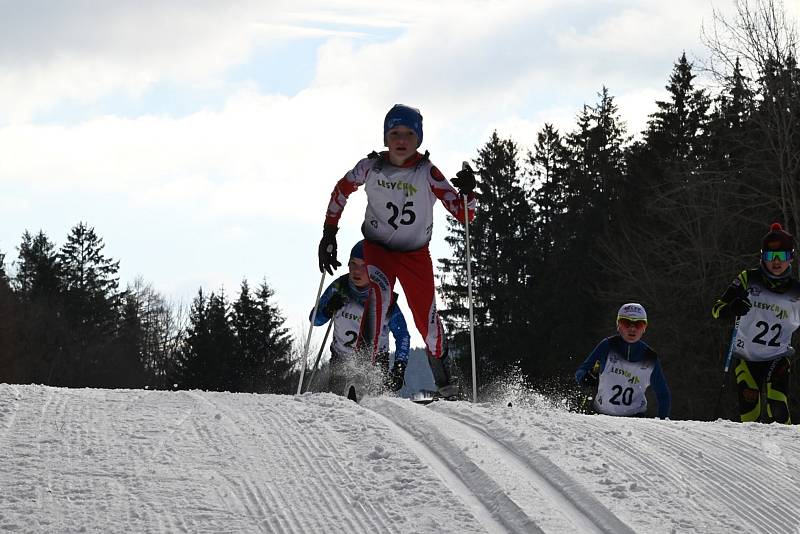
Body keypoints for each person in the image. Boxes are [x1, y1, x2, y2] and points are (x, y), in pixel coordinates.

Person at [317, 104, 477, 398]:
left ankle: (447, 381)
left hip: (415, 255)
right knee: (376, 300)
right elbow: (341, 189)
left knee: (427, 324)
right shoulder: (370, 167)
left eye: (408, 134)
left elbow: (463, 214)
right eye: (394, 133)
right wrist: (329, 233)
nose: (401, 140)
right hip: (377, 251)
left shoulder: (426, 171)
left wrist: (469, 192)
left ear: (418, 139)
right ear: (385, 137)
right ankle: (367, 378)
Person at [711, 222, 799, 424]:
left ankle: (787, 455)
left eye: (782, 257)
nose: (776, 262)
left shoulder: (796, 290)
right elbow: (716, 309)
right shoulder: (748, 278)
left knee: (778, 409)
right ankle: (752, 454)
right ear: (762, 258)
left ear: (790, 258)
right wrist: (733, 307)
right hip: (747, 358)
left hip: (778, 357)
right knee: (749, 416)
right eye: (770, 257)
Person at [312, 240, 411, 395]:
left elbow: (402, 334)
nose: (356, 271)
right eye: (352, 264)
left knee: (370, 407)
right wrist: (328, 309)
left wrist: (399, 366)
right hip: (341, 359)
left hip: (375, 363)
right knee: (338, 406)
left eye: (363, 266)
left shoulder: (384, 297)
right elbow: (314, 320)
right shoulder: (339, 287)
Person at [575, 303, 671, 419]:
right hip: (602, 415)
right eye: (626, 323)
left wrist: (663, 421)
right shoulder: (607, 346)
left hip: (635, 418)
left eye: (638, 324)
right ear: (618, 325)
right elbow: (581, 371)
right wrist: (585, 378)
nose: (632, 329)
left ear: (644, 328)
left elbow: (663, 394)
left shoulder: (650, 358)